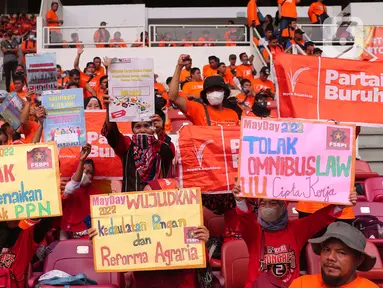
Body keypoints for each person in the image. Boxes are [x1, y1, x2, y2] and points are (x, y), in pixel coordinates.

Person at [232, 184, 357, 288]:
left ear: (283, 207)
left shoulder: (296, 229)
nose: (267, 207)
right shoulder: (254, 231)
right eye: (263, 203)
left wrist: (340, 204)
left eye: (273, 203)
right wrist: (240, 201)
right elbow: (245, 219)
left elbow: (320, 219)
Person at [101, 93, 175, 191]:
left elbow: (169, 154)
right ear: (133, 130)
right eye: (138, 127)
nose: (142, 130)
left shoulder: (161, 144)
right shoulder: (127, 145)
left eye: (146, 126)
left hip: (158, 202)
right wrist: (109, 110)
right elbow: (111, 134)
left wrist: (160, 131)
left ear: (153, 128)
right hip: (132, 202)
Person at [290, 222, 378, 288]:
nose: (330, 257)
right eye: (326, 250)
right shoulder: (301, 285)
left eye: (341, 252)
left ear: (359, 260)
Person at [169, 54, 239, 126]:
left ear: (224, 92)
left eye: (218, 89)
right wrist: (179, 67)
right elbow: (173, 97)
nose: (214, 92)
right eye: (211, 90)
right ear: (206, 94)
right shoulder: (198, 110)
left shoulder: (233, 114)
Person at [60, 144, 101, 240]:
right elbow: (72, 186)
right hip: (67, 240)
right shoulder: (64, 189)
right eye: (82, 170)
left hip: (90, 239)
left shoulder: (97, 196)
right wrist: (81, 161)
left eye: (89, 172)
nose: (85, 174)